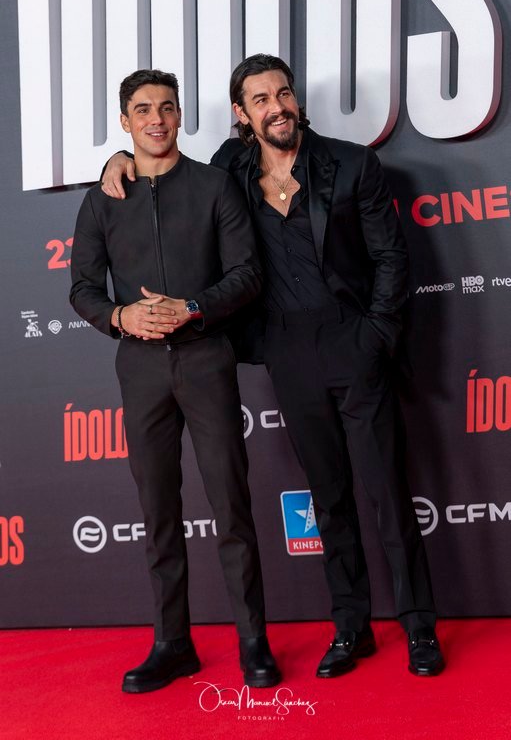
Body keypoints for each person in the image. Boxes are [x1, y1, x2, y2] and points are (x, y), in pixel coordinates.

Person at [100, 55, 445, 678]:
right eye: (260, 99)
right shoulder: (230, 171)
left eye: (283, 94)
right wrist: (117, 159)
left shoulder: (350, 164)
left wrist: (375, 337)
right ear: (242, 114)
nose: (277, 107)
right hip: (288, 352)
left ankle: (419, 626)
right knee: (329, 498)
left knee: (387, 493)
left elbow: (391, 260)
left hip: (354, 342)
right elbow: (165, 166)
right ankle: (351, 628)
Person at [70, 68, 280, 694]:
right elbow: (82, 288)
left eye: (166, 107)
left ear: (180, 115)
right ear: (125, 122)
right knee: (158, 511)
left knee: (231, 506)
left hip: (206, 357)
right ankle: (172, 643)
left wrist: (191, 308)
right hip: (140, 369)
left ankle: (253, 640)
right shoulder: (103, 198)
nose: (156, 119)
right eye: (143, 110)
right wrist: (121, 317)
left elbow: (247, 274)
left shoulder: (215, 186)